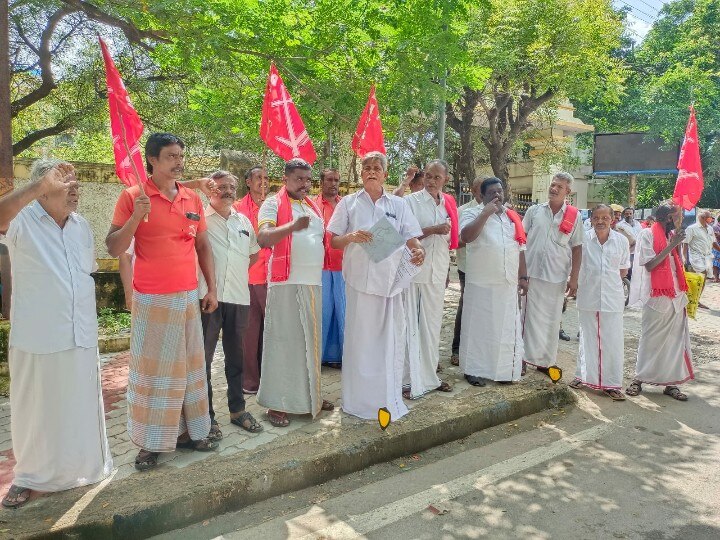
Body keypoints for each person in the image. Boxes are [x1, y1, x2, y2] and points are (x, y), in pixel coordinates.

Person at [0, 159, 112, 508]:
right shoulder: (23, 219)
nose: (75, 187)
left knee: (79, 406)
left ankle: (84, 469)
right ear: (44, 188)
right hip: (38, 335)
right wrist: (36, 188)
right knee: (35, 411)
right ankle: (29, 477)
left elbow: (83, 273)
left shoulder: (81, 225)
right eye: (65, 182)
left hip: (79, 332)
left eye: (76, 181)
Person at [107, 132, 219, 471]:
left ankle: (192, 432)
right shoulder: (132, 197)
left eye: (180, 156)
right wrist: (134, 219)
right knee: (154, 374)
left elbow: (202, 247)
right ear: (152, 160)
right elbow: (113, 247)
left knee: (189, 370)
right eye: (170, 156)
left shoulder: (192, 199)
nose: (178, 162)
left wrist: (210, 289)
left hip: (187, 296)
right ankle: (149, 443)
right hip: (151, 299)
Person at [328, 151, 425, 421]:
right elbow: (334, 242)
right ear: (361, 173)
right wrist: (351, 237)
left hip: (390, 285)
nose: (371, 171)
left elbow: (411, 237)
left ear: (385, 173)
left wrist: (418, 250)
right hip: (359, 283)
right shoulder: (348, 203)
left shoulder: (398, 204)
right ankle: (357, 402)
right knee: (360, 343)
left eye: (376, 167)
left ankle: (386, 399)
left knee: (387, 342)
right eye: (367, 168)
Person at [256, 159, 332, 427]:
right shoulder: (272, 204)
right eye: (299, 179)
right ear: (286, 178)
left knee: (309, 344)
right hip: (284, 282)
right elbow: (263, 238)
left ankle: (309, 398)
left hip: (313, 282)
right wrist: (291, 227)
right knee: (283, 344)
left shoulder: (311, 205)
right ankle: (278, 404)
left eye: (308, 179)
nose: (305, 184)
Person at [199, 171, 263, 437]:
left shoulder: (244, 220)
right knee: (203, 360)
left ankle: (237, 410)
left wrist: (233, 272)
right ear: (210, 189)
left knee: (236, 358)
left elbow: (254, 255)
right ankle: (206, 417)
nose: (227, 191)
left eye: (232, 187)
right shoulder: (200, 218)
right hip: (207, 298)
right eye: (222, 186)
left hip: (238, 297)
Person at [459, 177, 527, 385]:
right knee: (478, 328)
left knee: (505, 329)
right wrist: (485, 213)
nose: (497, 195)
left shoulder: (512, 217)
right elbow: (466, 236)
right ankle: (473, 369)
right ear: (482, 195)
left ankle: (504, 371)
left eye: (500, 191)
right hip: (481, 282)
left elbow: (521, 248)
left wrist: (523, 277)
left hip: (506, 283)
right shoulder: (472, 212)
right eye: (492, 193)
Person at [626, 201, 694, 401]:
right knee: (650, 340)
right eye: (677, 216)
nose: (679, 219)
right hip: (657, 297)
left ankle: (670, 384)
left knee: (675, 342)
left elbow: (677, 264)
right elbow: (650, 265)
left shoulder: (672, 235)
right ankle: (638, 379)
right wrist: (672, 245)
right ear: (666, 218)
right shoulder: (647, 234)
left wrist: (676, 244)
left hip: (676, 297)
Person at [402, 160, 456, 398]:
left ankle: (429, 377)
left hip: (437, 271)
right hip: (415, 272)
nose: (432, 181)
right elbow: (404, 234)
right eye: (429, 176)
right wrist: (433, 229)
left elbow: (448, 243)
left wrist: (445, 273)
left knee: (432, 326)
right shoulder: (411, 202)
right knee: (410, 325)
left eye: (437, 177)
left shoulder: (448, 204)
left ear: (445, 179)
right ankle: (407, 379)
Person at [521, 172, 584, 378]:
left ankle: (545, 362)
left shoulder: (574, 216)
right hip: (531, 274)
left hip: (557, 276)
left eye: (559, 187)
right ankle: (521, 358)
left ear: (568, 191)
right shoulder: (534, 211)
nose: (554, 189)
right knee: (526, 317)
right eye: (553, 185)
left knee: (551, 320)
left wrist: (574, 278)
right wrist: (521, 272)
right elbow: (521, 241)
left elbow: (577, 248)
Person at [570, 204, 630, 400]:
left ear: (612, 219)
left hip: (612, 298)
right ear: (591, 219)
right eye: (597, 217)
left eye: (605, 217)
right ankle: (582, 376)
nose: (601, 221)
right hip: (589, 295)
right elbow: (575, 264)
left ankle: (611, 384)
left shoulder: (621, 241)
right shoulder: (583, 239)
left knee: (612, 341)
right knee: (587, 337)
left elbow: (623, 270)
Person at [234, 166, 270, 394]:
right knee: (249, 332)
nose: (263, 182)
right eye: (258, 178)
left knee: (272, 330)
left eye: (266, 178)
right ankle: (250, 382)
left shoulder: (274, 206)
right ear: (248, 182)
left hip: (273, 277)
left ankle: (269, 379)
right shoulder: (237, 209)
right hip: (247, 277)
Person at [313, 169, 345, 368]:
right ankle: (319, 357)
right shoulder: (312, 205)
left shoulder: (347, 205)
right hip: (320, 267)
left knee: (343, 312)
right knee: (323, 313)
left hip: (344, 267)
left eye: (336, 180)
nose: (333, 184)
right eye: (329, 180)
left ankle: (342, 356)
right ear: (321, 182)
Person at [450, 179, 481, 366]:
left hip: (487, 268)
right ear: (473, 190)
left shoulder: (497, 211)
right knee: (466, 306)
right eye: (480, 189)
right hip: (467, 267)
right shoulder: (463, 211)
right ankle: (457, 349)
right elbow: (456, 241)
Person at [615, 206, 642, 278]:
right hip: (628, 251)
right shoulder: (620, 226)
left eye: (630, 213)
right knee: (628, 271)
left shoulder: (638, 224)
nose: (629, 215)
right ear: (624, 215)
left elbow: (641, 235)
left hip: (638, 252)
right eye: (627, 214)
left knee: (636, 271)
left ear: (633, 214)